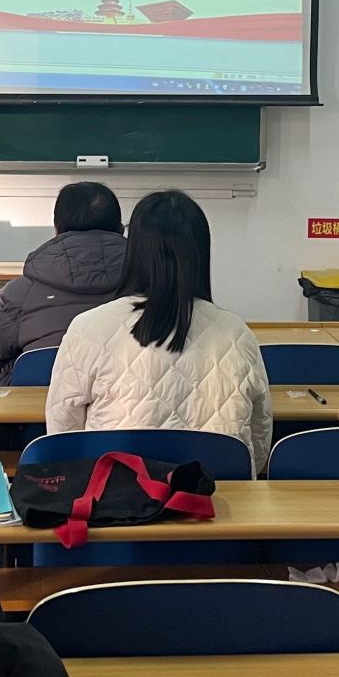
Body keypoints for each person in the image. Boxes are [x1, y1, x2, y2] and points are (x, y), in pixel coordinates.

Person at [45, 190, 272, 471]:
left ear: (134, 250)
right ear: (201, 253)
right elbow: (258, 442)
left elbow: (62, 432)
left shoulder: (88, 327)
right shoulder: (237, 333)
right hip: (218, 492)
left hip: (116, 491)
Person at [0, 182, 128, 376]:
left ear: (57, 228)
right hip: (124, 393)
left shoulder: (22, 292)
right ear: (120, 228)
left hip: (41, 393)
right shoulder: (151, 285)